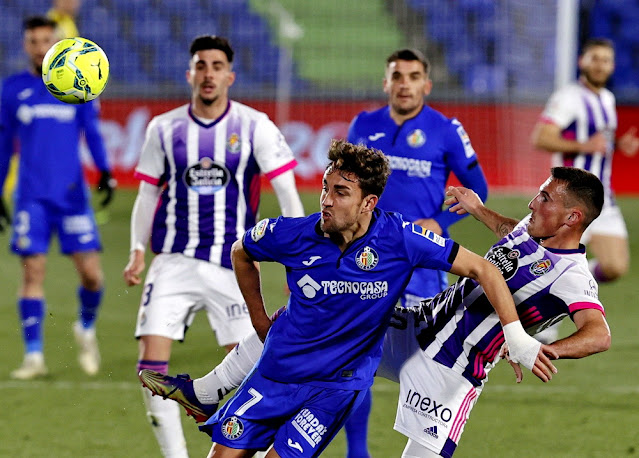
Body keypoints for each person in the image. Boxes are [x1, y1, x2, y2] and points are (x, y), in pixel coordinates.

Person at [140, 166, 610, 457]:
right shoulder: (533, 227)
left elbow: (598, 333)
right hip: (416, 326)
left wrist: (533, 346)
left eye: (545, 198)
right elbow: (515, 232)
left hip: (455, 372)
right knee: (311, 318)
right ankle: (206, 390)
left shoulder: (572, 276)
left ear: (572, 218)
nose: (533, 202)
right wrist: (480, 210)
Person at [122, 35, 304, 458]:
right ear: (190, 74)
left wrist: (296, 262)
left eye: (217, 66)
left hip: (234, 265)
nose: (208, 74)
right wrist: (136, 248)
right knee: (151, 368)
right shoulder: (163, 128)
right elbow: (147, 193)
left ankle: (248, 448)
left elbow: (287, 193)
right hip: (174, 261)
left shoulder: (254, 125)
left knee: (258, 367)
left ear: (230, 75)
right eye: (201, 66)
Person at [345, 47, 488, 456]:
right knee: (356, 359)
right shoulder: (363, 124)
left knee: (429, 366)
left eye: (412, 76)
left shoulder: (446, 129)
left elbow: (479, 189)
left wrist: (441, 225)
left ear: (426, 84)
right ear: (385, 82)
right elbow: (341, 188)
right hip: (366, 261)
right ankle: (358, 452)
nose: (404, 83)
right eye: (397, 75)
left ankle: (423, 448)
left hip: (423, 263)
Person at [0, 16, 114, 380]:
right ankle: (34, 356)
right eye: (33, 41)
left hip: (72, 197)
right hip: (31, 197)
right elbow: (3, 145)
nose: (39, 47)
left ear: (57, 44)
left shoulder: (74, 85)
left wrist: (106, 171)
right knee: (33, 271)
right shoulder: (12, 89)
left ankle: (86, 327)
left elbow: (92, 132)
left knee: (93, 276)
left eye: (46, 40)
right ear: (25, 45)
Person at [531, 38, 639, 285]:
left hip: (603, 198)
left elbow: (597, 142)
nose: (600, 65)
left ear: (612, 66)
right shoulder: (569, 97)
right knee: (545, 265)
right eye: (595, 59)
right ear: (582, 62)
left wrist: (619, 145)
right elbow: (541, 137)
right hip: (570, 198)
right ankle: (547, 315)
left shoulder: (607, 99)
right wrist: (584, 146)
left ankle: (568, 281)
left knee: (615, 266)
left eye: (606, 60)